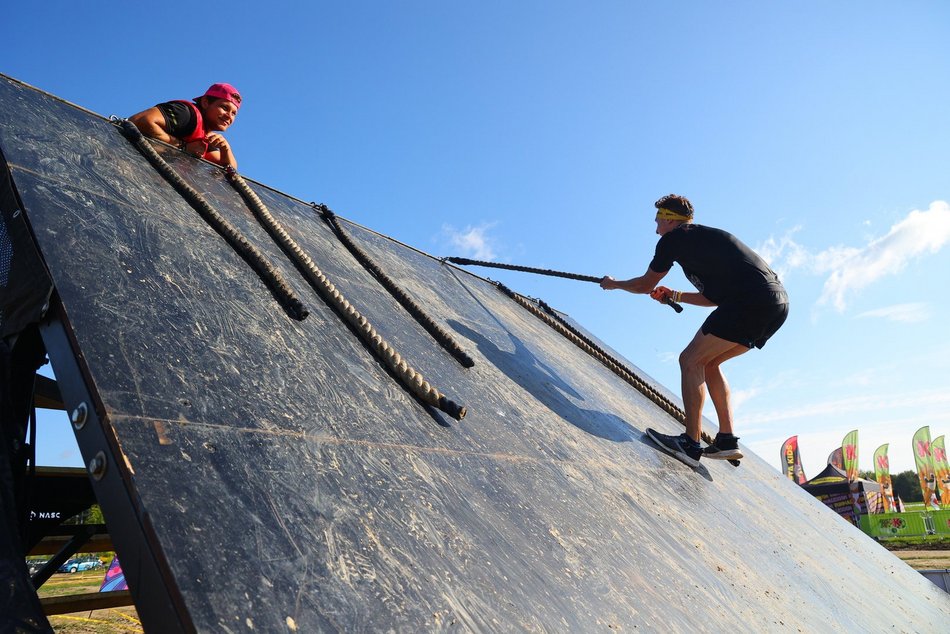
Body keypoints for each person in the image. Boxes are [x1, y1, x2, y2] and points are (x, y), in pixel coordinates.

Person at [600, 194, 788, 468]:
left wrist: (614, 284)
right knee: (709, 364)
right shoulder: (704, 242)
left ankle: (690, 443)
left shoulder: (673, 239)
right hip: (776, 305)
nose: (655, 228)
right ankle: (726, 440)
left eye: (657, 221)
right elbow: (714, 298)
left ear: (668, 218)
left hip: (750, 302)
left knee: (689, 360)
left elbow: (643, 285)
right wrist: (674, 294)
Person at [129, 83, 242, 169]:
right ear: (205, 103)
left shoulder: (205, 137)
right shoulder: (186, 114)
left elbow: (230, 172)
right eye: (224, 108)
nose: (229, 116)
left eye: (233, 113)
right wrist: (183, 147)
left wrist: (225, 149)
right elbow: (139, 120)